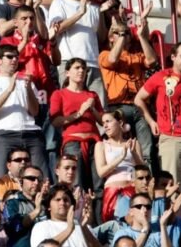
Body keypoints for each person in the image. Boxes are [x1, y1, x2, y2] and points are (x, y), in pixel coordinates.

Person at [135, 42, 181, 192]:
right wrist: (151, 122)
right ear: (173, 57)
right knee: (172, 187)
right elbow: (138, 99)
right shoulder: (160, 77)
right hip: (172, 139)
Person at [99, 14, 159, 171]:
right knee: (121, 146)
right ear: (111, 37)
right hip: (118, 107)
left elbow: (152, 61)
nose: (124, 37)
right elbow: (112, 59)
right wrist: (121, 33)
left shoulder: (135, 56)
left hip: (140, 107)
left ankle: (148, 180)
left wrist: (141, 37)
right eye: (119, 34)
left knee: (147, 149)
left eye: (126, 34)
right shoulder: (104, 54)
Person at [0, 44, 47, 179]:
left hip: (31, 133)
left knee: (41, 176)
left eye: (16, 57)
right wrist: (9, 89)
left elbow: (34, 111)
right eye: (9, 57)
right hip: (5, 134)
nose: (14, 60)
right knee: (1, 178)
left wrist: (28, 89)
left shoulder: (26, 82)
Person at [50, 58, 103, 190]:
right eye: (77, 68)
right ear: (67, 72)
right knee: (76, 182)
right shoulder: (59, 94)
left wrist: (93, 109)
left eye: (84, 68)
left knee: (98, 184)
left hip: (94, 142)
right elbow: (55, 121)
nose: (81, 71)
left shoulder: (92, 95)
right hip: (73, 141)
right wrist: (80, 112)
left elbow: (102, 120)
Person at [94, 110, 144, 222]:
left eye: (108, 121)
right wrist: (121, 157)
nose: (105, 126)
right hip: (113, 191)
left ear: (120, 123)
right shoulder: (101, 145)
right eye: (103, 123)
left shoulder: (134, 143)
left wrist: (133, 153)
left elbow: (143, 170)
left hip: (133, 188)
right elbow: (101, 172)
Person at [3, 165, 46, 247]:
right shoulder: (12, 203)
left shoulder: (47, 204)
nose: (36, 182)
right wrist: (36, 211)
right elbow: (13, 226)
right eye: (31, 178)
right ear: (21, 181)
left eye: (39, 179)